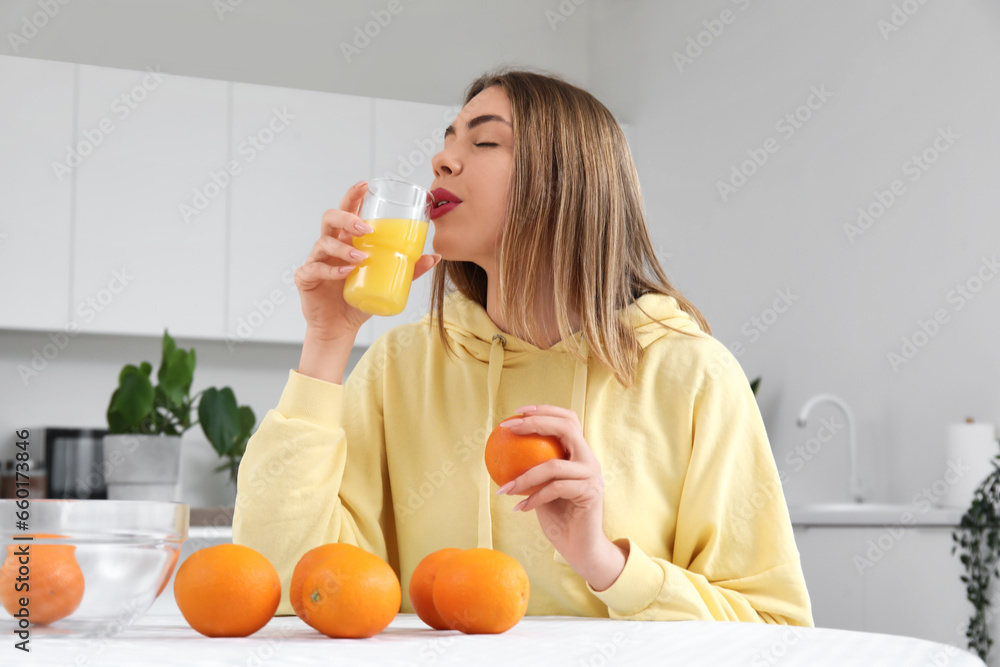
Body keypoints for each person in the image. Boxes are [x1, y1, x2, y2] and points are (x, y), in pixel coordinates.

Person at [232, 67, 814, 625]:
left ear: (566, 179)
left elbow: (772, 627)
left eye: (485, 142)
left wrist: (604, 563)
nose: (442, 158)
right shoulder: (401, 367)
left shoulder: (690, 373)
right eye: (448, 139)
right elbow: (286, 586)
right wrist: (328, 341)